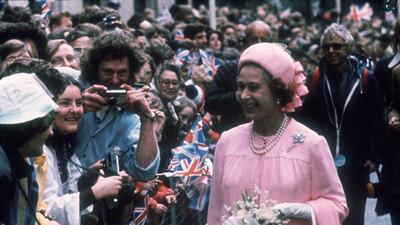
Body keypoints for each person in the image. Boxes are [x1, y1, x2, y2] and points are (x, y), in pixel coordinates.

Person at [207, 43, 348, 225]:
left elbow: (337, 205)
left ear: (278, 91)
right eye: (241, 86)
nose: (243, 95)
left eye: (254, 87)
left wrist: (305, 212)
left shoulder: (311, 144)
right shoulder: (227, 141)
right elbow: (215, 212)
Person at [295, 23, 386, 225]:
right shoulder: (315, 79)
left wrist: (373, 157)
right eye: (327, 46)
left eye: (337, 46)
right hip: (322, 160)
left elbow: (377, 120)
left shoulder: (365, 78)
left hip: (356, 161)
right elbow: (305, 120)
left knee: (354, 215)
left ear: (348, 48)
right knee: (326, 216)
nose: (331, 51)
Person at [75, 31, 159, 181]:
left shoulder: (131, 115)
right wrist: (78, 109)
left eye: (122, 73)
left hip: (97, 198)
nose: (114, 80)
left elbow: (145, 171)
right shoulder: (74, 93)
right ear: (95, 71)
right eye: (107, 72)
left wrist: (147, 118)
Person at [0, 73, 58, 225]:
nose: (51, 132)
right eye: (46, 126)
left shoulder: (24, 159)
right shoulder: (2, 170)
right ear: (28, 128)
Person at [204, 20, 272, 133]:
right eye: (254, 39)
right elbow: (211, 104)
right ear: (245, 41)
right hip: (234, 133)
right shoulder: (227, 69)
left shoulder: (277, 69)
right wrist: (238, 96)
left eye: (263, 40)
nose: (259, 43)